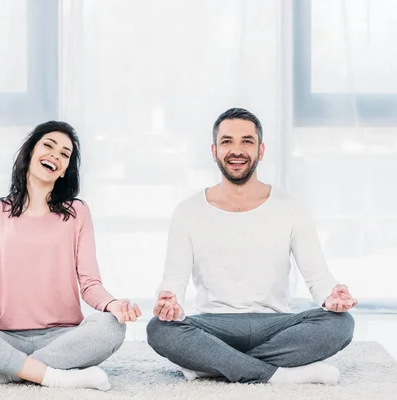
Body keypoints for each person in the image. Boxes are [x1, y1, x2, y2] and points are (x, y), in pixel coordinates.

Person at [0, 121, 141, 391]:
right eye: (48, 145)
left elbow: (90, 283)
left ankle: (5, 371)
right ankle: (55, 375)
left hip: (63, 337)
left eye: (64, 154)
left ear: (65, 169)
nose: (56, 155)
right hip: (4, 337)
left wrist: (112, 304)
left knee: (112, 326)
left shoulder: (77, 212)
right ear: (31, 151)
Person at [147, 108, 357, 385]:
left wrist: (331, 296)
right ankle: (279, 374)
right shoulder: (187, 211)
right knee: (159, 329)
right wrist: (170, 300)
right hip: (213, 324)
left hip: (274, 324)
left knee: (341, 324)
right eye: (227, 141)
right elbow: (175, 278)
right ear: (214, 150)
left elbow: (316, 275)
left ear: (261, 150)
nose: (237, 150)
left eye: (247, 141)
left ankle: (214, 365)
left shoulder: (291, 208)